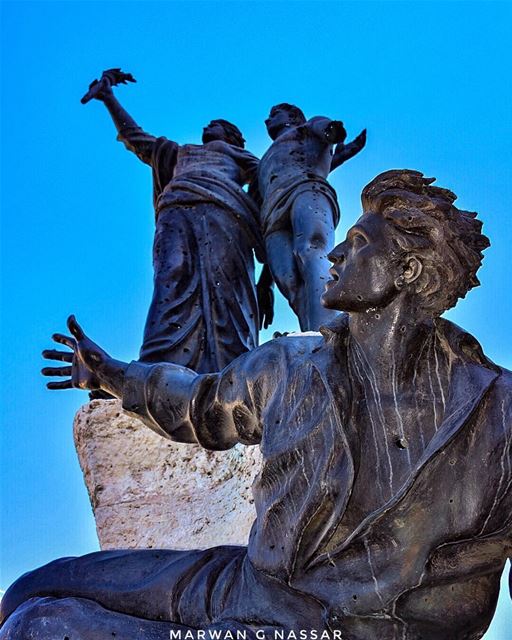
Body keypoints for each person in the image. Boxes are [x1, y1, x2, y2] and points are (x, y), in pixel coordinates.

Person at [3, 170, 511, 640]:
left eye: (357, 244)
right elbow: (200, 405)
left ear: (408, 270)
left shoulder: (500, 410)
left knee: (40, 624)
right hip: (250, 583)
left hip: (338, 627)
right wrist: (112, 376)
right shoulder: (291, 363)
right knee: (26, 590)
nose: (333, 256)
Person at [85, 69, 273, 372]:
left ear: (233, 137)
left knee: (226, 286)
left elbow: (276, 175)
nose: (206, 126)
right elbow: (136, 139)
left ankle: (234, 370)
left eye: (215, 124)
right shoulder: (178, 152)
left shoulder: (241, 157)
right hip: (177, 210)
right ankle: (156, 366)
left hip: (226, 217)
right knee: (171, 274)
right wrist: (108, 98)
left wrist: (320, 157)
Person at [257, 103, 366, 330]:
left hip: (307, 191)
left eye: (275, 114)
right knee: (289, 281)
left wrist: (332, 132)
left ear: (294, 116)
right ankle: (312, 335)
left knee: (312, 250)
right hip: (271, 216)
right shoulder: (264, 161)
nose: (268, 120)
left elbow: (327, 130)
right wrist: (264, 284)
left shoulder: (307, 127)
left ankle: (329, 329)